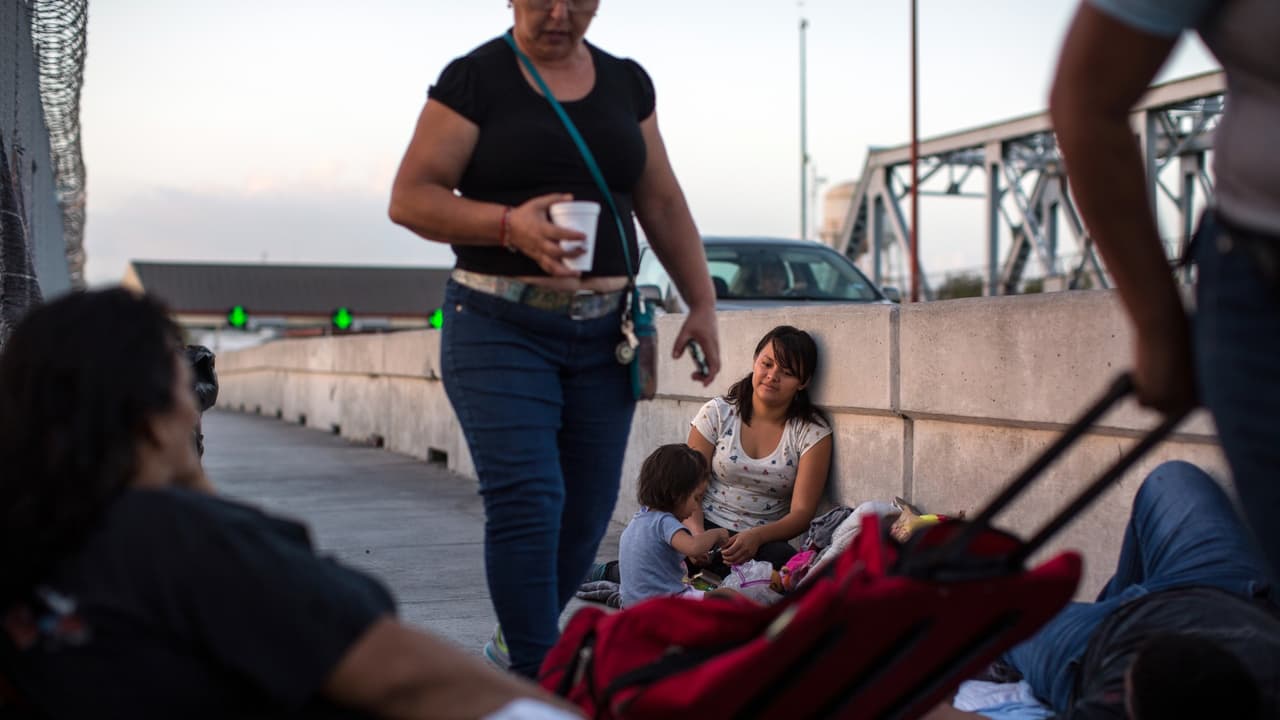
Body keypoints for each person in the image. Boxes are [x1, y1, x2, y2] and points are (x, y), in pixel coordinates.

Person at [0, 289, 578, 720]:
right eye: (179, 387)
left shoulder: (32, 544)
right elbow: (404, 676)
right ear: (155, 419)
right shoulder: (186, 542)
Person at [387, 0, 721, 677]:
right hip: (497, 325)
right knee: (529, 499)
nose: (560, 12)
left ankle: (519, 641)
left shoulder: (626, 84)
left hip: (605, 336)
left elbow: (660, 199)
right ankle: (536, 681)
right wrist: (510, 226)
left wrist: (702, 301)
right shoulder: (476, 80)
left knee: (586, 512)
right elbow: (411, 196)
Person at [1048, 1, 1280, 579]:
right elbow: (1086, 99)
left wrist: (1159, 329)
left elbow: (1086, 101)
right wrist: (1158, 328)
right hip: (1262, 283)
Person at [928, 461, 1280, 719]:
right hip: (1223, 588)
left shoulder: (1103, 708)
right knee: (1173, 479)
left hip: (1092, 643)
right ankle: (1118, 599)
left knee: (997, 608)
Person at [684, 325, 833, 574]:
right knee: (660, 536)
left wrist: (756, 537)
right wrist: (697, 536)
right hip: (703, 524)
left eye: (787, 372)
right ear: (755, 361)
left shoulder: (812, 433)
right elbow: (687, 487)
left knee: (788, 567)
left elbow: (801, 513)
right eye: (767, 364)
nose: (772, 376)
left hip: (763, 541)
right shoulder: (717, 413)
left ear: (803, 382)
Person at [618, 444, 730, 608]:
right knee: (727, 595)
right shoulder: (664, 522)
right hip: (663, 606)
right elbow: (693, 546)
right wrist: (717, 534)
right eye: (696, 498)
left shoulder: (640, 518)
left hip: (631, 607)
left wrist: (690, 554)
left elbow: (669, 552)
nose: (696, 507)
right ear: (676, 493)